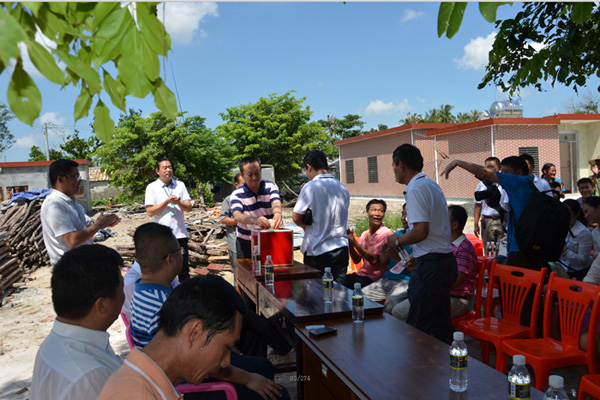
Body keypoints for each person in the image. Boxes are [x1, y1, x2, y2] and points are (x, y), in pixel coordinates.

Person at [128, 223, 289, 400]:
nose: (183, 255)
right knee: (279, 392)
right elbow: (197, 358)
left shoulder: (144, 290)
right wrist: (248, 379)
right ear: (170, 259)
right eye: (180, 251)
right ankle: (284, 342)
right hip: (186, 382)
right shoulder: (162, 303)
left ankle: (282, 341)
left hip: (188, 366)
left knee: (261, 361)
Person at [31, 245, 125, 400]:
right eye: (122, 288)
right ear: (102, 305)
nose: (124, 295)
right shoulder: (90, 378)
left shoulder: (53, 344)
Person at [385, 144, 457, 345]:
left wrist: (396, 240)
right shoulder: (431, 185)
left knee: (418, 329)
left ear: (400, 165)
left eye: (394, 166)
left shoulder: (415, 189)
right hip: (441, 262)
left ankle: (420, 365)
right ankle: (454, 360)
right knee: (440, 325)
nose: (394, 171)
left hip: (432, 268)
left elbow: (420, 231)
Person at [441, 156, 542, 270]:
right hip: (521, 249)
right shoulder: (524, 188)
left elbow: (484, 173)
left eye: (506, 173)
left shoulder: (520, 182)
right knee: (495, 261)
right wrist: (497, 207)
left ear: (519, 172)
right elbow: (513, 220)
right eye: (502, 172)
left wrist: (457, 162)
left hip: (521, 251)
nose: (502, 176)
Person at [391, 205, 478, 321]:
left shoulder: (464, 248)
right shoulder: (443, 244)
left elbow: (456, 281)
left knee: (400, 312)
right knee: (396, 306)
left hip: (454, 299)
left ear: (455, 225)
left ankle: (418, 333)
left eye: (443, 219)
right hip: (435, 293)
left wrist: (428, 281)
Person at [41, 159, 120, 265]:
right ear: (60, 179)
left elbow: (81, 230)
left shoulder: (71, 201)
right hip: (69, 267)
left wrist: (102, 224)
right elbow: (72, 240)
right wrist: (97, 225)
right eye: (75, 177)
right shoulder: (54, 205)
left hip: (81, 263)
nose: (79, 181)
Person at [292, 150, 350, 283]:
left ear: (309, 167)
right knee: (339, 291)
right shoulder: (342, 187)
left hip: (318, 249)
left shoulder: (310, 187)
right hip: (340, 248)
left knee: (316, 292)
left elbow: (296, 217)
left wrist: (304, 226)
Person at [145, 158, 192, 282]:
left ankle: (184, 292)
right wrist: (166, 202)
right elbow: (150, 212)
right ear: (157, 171)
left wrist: (178, 203)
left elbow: (189, 208)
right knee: (163, 269)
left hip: (180, 234)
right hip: (162, 236)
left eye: (170, 167)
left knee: (183, 269)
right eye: (165, 168)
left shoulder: (180, 185)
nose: (168, 170)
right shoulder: (152, 187)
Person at [362, 203, 412, 313]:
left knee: (390, 306)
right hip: (387, 280)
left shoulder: (419, 240)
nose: (404, 218)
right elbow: (384, 261)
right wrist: (384, 252)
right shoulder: (396, 235)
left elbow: (414, 267)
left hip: (405, 282)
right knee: (359, 298)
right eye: (402, 214)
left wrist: (398, 257)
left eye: (408, 214)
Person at [231, 156, 283, 259]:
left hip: (269, 238)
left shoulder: (270, 186)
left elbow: (276, 202)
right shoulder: (237, 194)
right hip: (246, 242)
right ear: (242, 175)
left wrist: (277, 213)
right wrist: (255, 220)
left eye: (257, 173)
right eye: (250, 174)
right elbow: (237, 216)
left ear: (261, 171)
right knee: (245, 268)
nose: (254, 177)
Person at [344, 199, 393, 289]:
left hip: (376, 279)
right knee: (337, 282)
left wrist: (354, 242)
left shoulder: (386, 234)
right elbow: (356, 260)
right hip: (361, 274)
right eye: (374, 210)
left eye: (381, 211)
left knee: (345, 287)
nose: (377, 214)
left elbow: (374, 260)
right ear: (367, 213)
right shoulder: (365, 234)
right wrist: (350, 243)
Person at [473, 156, 508, 245]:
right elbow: (478, 206)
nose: (489, 170)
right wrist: (476, 225)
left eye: (492, 167)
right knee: (490, 250)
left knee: (502, 248)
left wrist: (507, 223)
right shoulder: (481, 185)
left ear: (499, 168)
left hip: (501, 220)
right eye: (487, 167)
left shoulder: (504, 185)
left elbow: (507, 206)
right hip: (487, 221)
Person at [220, 173, 245, 284]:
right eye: (243, 184)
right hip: (235, 243)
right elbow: (223, 219)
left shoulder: (252, 199)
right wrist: (239, 220)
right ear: (236, 185)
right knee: (239, 276)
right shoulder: (229, 199)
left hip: (251, 243)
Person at [559, 199, 592, 280]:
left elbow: (582, 261)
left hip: (577, 272)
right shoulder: (560, 227)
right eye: (561, 212)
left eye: (568, 214)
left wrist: (565, 251)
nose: (563, 216)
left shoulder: (583, 232)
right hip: (561, 269)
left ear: (576, 214)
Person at [583, 196, 600, 274]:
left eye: (587, 211)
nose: (585, 216)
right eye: (584, 213)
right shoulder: (595, 233)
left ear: (599, 208)